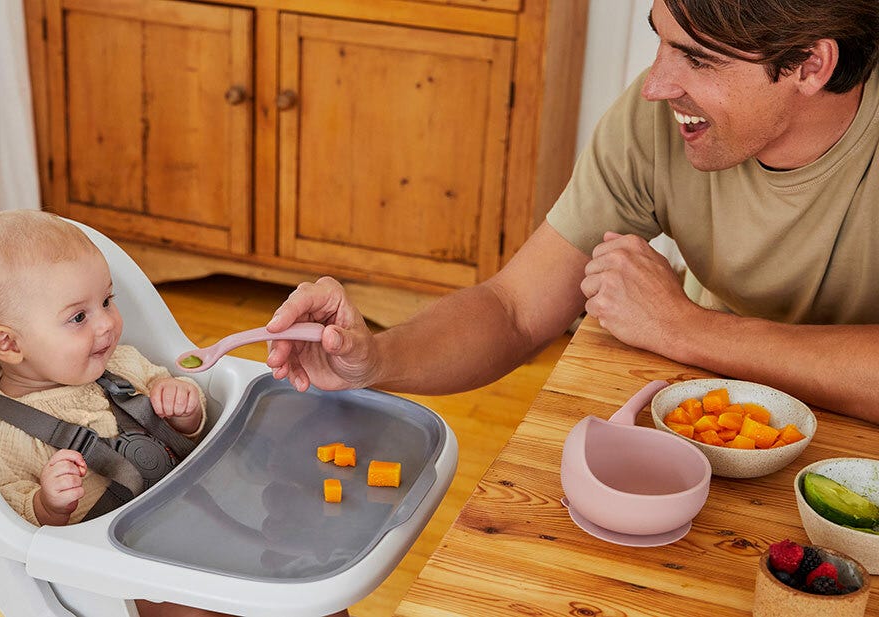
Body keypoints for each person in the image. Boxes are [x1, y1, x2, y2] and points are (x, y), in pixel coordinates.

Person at [264, 0, 879, 425]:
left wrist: (686, 329)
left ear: (810, 65)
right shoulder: (659, 125)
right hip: (718, 418)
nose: (655, 85)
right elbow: (514, 308)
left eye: (697, 59)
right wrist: (376, 358)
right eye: (660, 41)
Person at [0, 210, 323, 617]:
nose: (108, 324)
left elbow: (191, 429)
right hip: (125, 573)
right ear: (8, 344)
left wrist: (182, 405)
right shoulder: (3, 433)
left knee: (296, 571)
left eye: (107, 301)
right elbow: (12, 523)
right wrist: (47, 504)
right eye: (79, 316)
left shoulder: (124, 364)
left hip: (194, 517)